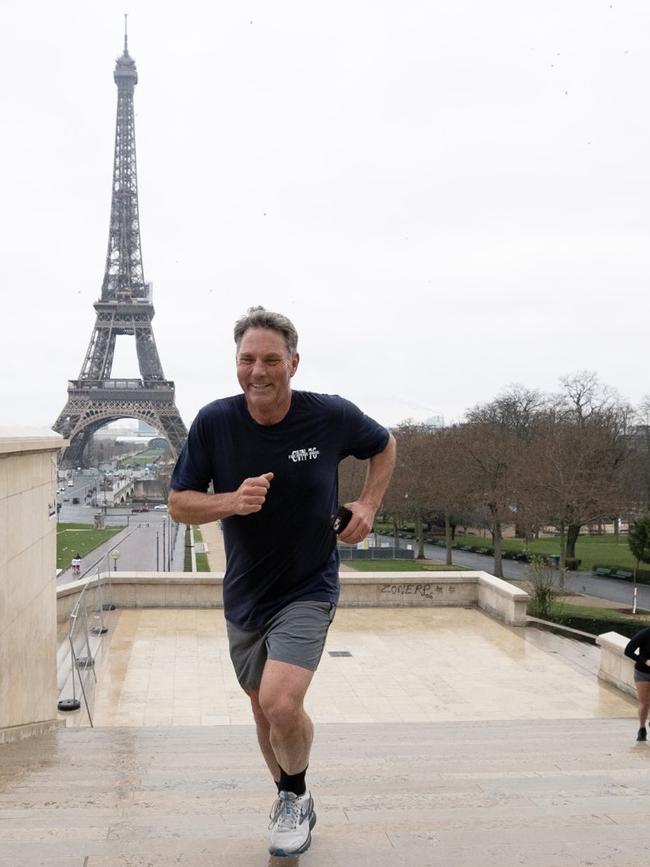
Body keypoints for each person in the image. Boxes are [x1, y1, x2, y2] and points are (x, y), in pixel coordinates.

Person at [168, 306, 396, 856]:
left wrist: (367, 504)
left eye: (272, 359)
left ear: (293, 363)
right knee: (265, 710)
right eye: (248, 359)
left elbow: (384, 444)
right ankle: (295, 791)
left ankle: (291, 797)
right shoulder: (213, 422)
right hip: (246, 593)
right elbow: (178, 503)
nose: (259, 371)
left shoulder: (330, 416)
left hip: (309, 586)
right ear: (236, 363)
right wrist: (231, 500)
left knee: (280, 702)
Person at [624, 626, 650, 742]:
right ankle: (642, 728)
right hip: (642, 673)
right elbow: (628, 651)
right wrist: (645, 661)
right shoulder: (644, 634)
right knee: (644, 702)